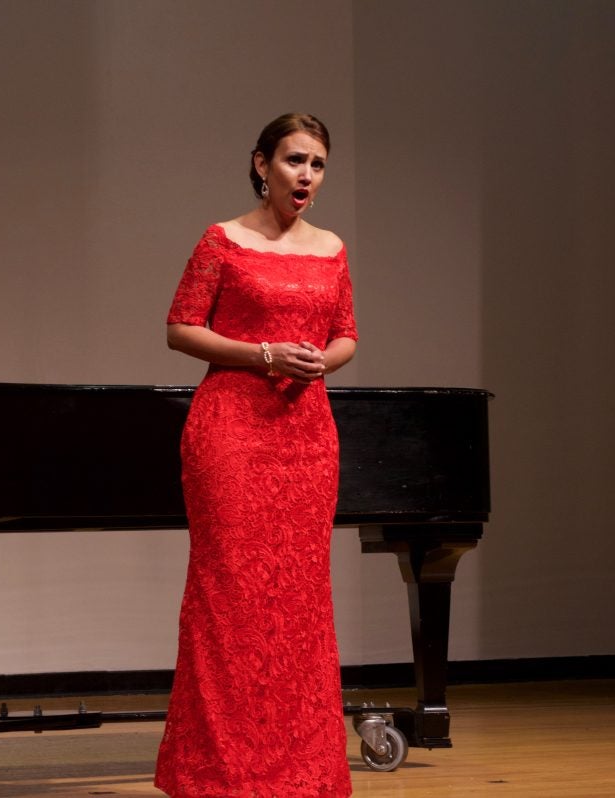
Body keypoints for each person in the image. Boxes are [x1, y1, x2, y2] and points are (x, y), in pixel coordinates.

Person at [154, 113, 357, 797]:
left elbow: (347, 335)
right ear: (261, 163)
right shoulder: (223, 241)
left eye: (318, 165)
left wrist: (317, 362)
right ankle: (217, 774)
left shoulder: (331, 248)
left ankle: (299, 774)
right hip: (232, 431)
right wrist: (265, 354)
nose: (306, 175)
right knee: (230, 598)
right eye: (295, 160)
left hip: (306, 437)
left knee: (299, 603)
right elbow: (180, 327)